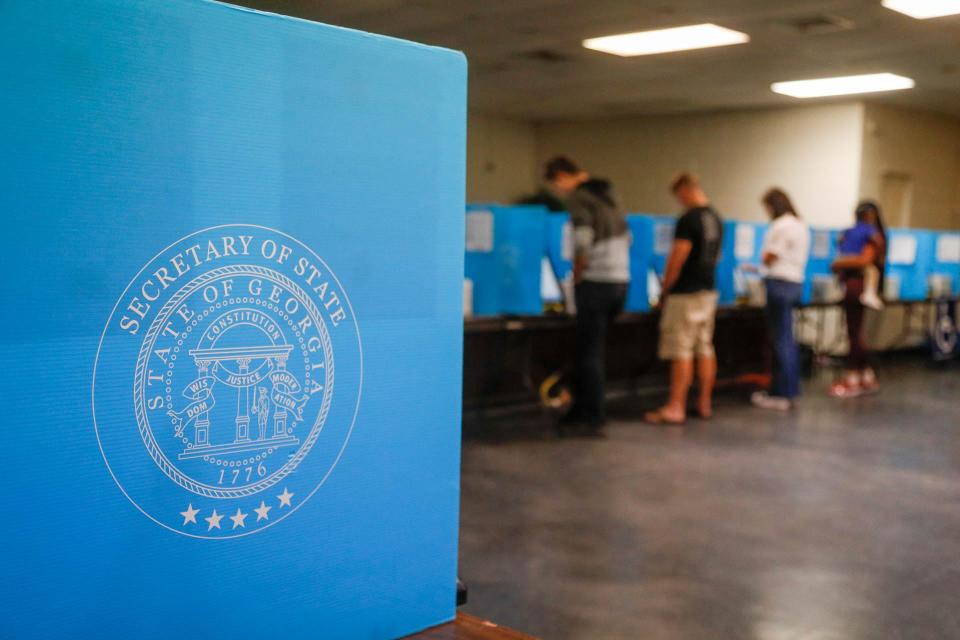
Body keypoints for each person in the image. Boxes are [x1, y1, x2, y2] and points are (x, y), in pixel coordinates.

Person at [545, 156, 630, 435]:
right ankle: (583, 409)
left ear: (561, 176)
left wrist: (577, 274)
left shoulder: (580, 198)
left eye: (556, 185)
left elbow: (582, 240)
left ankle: (592, 416)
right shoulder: (608, 196)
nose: (559, 192)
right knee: (593, 350)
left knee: (588, 352)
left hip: (596, 283)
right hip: (620, 282)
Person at [645, 173, 722, 424]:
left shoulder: (689, 219)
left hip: (686, 292)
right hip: (708, 291)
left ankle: (676, 407)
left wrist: (665, 289)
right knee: (705, 346)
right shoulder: (716, 218)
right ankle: (704, 403)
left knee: (681, 348)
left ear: (686, 191)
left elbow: (678, 256)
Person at [750, 188, 809, 411]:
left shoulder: (781, 225)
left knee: (780, 339)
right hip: (795, 283)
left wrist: (760, 262)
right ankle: (788, 390)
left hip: (779, 284)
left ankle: (782, 393)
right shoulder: (800, 224)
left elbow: (770, 256)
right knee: (787, 337)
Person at [829, 201, 887, 398]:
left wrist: (838, 263)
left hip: (856, 284)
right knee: (856, 332)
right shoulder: (868, 233)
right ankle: (866, 375)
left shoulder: (865, 234)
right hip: (856, 283)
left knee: (854, 333)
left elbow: (864, 260)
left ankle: (853, 377)